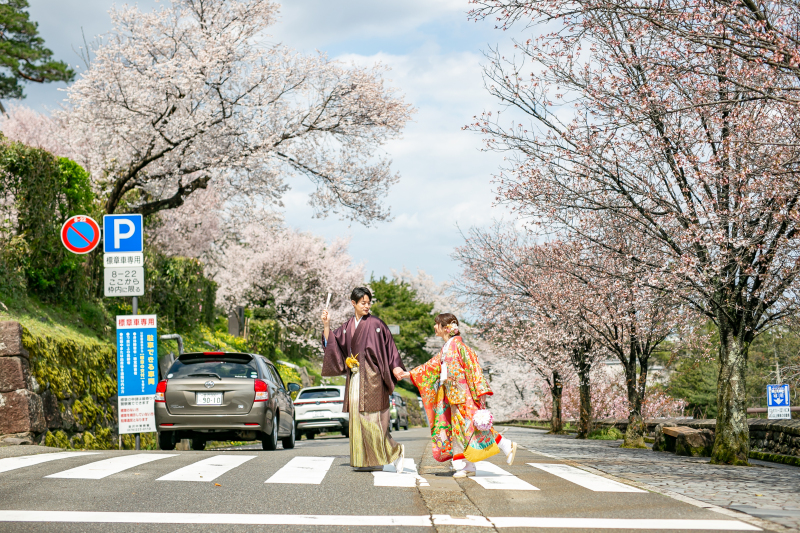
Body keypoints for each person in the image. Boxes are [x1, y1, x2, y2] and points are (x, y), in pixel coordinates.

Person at [397, 313, 517, 478]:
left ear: (446, 328)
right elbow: (430, 367)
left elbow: (473, 367)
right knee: (461, 430)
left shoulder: (460, 347)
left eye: (436, 324)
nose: (434, 327)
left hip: (464, 395)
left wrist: (481, 391)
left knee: (471, 429)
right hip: (453, 396)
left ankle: (505, 445)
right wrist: (409, 374)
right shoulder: (446, 348)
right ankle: (469, 466)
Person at [321, 287, 407, 473]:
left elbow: (390, 348)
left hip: (374, 376)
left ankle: (396, 451)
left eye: (369, 302)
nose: (367, 306)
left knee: (373, 421)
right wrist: (327, 325)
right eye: (363, 303)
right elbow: (332, 344)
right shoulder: (347, 327)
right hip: (355, 378)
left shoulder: (377, 324)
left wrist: (396, 366)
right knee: (358, 420)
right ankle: (367, 460)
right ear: (354, 303)